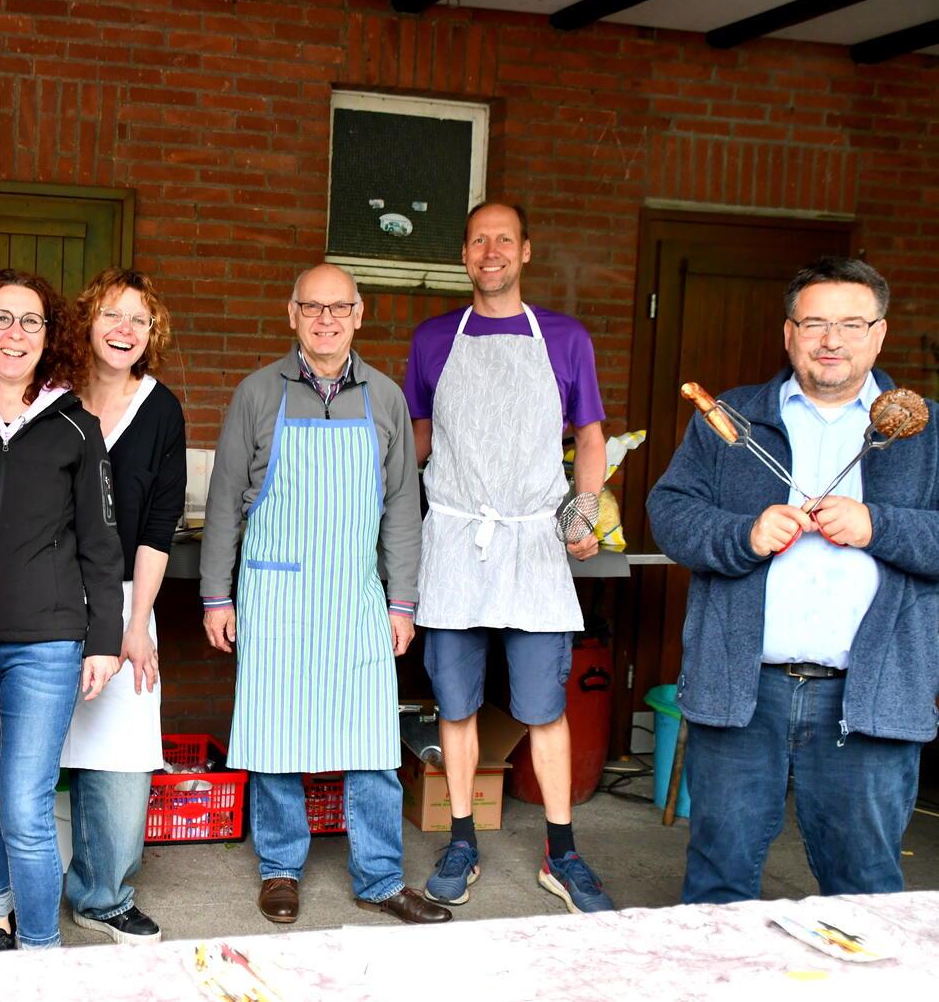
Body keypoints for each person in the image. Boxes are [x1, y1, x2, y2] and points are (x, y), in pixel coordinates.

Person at [646, 257, 937, 903]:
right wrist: (742, 536)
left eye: (851, 323)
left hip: (872, 697)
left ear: (879, 335)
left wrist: (877, 525)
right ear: (789, 333)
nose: (831, 339)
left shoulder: (926, 431)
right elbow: (669, 512)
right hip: (743, 687)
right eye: (815, 323)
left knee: (865, 888)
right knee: (719, 878)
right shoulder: (732, 419)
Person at [201, 262, 450, 927]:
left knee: (371, 745)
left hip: (355, 597)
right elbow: (225, 501)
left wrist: (403, 603)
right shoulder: (258, 393)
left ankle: (380, 878)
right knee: (275, 741)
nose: (326, 319)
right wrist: (215, 597)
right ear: (292, 314)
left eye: (338, 308)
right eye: (312, 307)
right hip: (276, 596)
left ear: (359, 314)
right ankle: (280, 868)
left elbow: (402, 506)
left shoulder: (387, 398)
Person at [405, 202, 614, 913]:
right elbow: (418, 441)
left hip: (532, 539)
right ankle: (461, 840)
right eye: (477, 241)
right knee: (456, 705)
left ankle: (562, 852)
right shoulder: (433, 340)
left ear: (526, 250)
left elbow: (590, 439)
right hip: (455, 540)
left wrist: (581, 515)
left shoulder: (565, 337)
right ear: (464, 255)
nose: (490, 251)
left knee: (543, 706)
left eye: (504, 239)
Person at [0, 268, 124, 951]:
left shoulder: (75, 426)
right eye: (2, 319)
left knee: (23, 803)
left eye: (31, 321)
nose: (15, 334)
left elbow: (103, 544)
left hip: (46, 643)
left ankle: (41, 950)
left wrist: (106, 640)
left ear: (50, 338)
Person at [59, 268, 186, 944]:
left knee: (122, 753)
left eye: (139, 320)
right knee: (31, 750)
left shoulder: (160, 410)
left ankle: (103, 896)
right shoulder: (52, 398)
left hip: (127, 600)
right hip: (45, 595)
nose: (124, 330)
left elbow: (160, 523)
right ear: (88, 321)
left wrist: (137, 626)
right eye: (112, 314)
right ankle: (13, 891)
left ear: (151, 334)